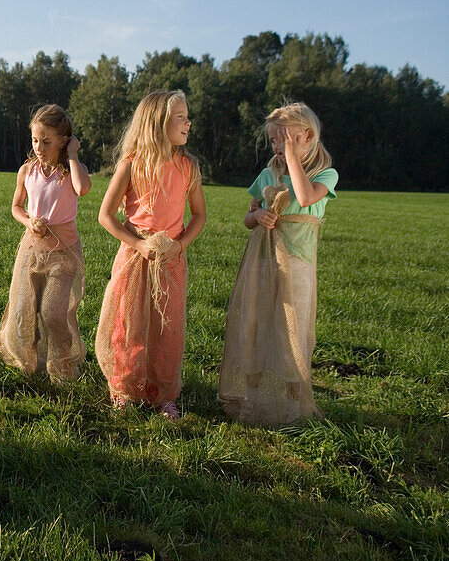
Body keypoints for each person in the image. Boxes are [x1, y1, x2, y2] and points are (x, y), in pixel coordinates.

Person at [219, 103, 337, 425]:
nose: (277, 147)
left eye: (284, 138)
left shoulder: (325, 174)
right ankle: (252, 395)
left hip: (298, 264)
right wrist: (257, 216)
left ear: (307, 136)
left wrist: (293, 158)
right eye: (273, 141)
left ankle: (293, 403)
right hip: (263, 259)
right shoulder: (268, 175)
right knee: (254, 324)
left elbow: (305, 195)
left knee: (292, 331)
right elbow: (247, 216)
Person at [95, 90, 206, 420]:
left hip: (171, 258)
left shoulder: (188, 167)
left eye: (188, 116)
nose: (188, 122)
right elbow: (106, 215)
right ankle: (125, 388)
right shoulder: (131, 164)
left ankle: (163, 393)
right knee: (128, 323)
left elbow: (199, 215)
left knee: (166, 327)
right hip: (135, 255)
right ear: (158, 123)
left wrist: (179, 245)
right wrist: (138, 244)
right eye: (181, 117)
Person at [0, 104, 92, 382]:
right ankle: (30, 362)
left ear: (64, 141)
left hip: (64, 252)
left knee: (52, 311)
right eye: (35, 140)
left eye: (46, 141)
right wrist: (29, 221)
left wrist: (73, 155)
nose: (39, 147)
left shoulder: (72, 170)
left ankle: (62, 366)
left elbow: (82, 189)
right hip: (32, 249)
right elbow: (16, 206)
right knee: (26, 307)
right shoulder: (27, 170)